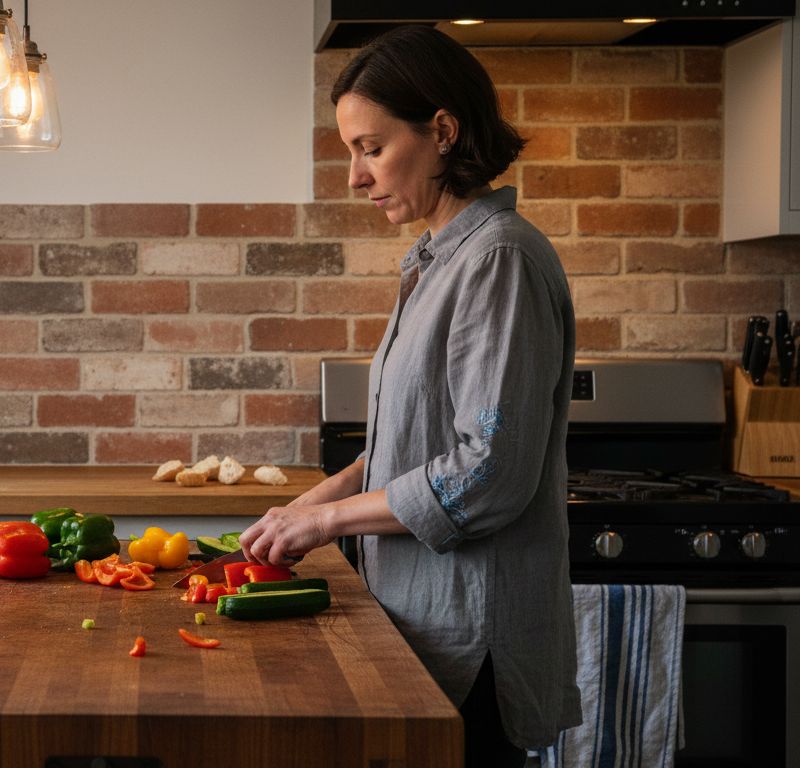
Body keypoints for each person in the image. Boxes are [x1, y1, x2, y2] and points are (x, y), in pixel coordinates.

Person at [239, 25, 581, 767]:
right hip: (425, 628)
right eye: (351, 153)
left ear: (443, 132)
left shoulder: (499, 261)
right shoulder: (437, 260)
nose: (356, 178)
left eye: (371, 148)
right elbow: (411, 443)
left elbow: (485, 473)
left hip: (473, 639)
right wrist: (312, 501)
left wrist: (327, 522)